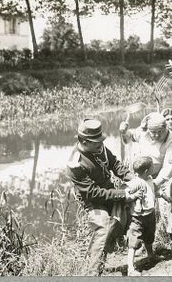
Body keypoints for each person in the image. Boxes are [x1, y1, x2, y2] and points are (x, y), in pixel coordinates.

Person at [66, 118, 144, 276]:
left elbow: (115, 164)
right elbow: (93, 193)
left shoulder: (98, 148)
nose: (100, 144)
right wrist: (123, 194)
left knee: (134, 213)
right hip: (93, 202)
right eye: (96, 142)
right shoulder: (75, 163)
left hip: (110, 192)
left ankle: (133, 254)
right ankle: (94, 272)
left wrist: (132, 178)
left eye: (101, 140)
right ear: (84, 141)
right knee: (104, 226)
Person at [119, 112, 172, 250]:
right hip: (142, 174)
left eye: (160, 132)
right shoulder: (143, 133)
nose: (156, 135)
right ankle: (133, 238)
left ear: (165, 128)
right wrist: (123, 132)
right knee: (129, 197)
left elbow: (169, 166)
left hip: (161, 175)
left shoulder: (171, 139)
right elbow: (129, 138)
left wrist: (155, 184)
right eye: (153, 132)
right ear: (148, 129)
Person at [126, 156, 170, 276]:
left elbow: (154, 191)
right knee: (134, 241)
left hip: (150, 214)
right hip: (138, 217)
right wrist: (134, 196)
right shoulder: (135, 183)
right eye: (152, 167)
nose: (153, 168)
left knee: (149, 236)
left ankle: (151, 256)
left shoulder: (150, 179)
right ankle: (130, 268)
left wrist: (163, 195)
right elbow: (125, 195)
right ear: (146, 171)